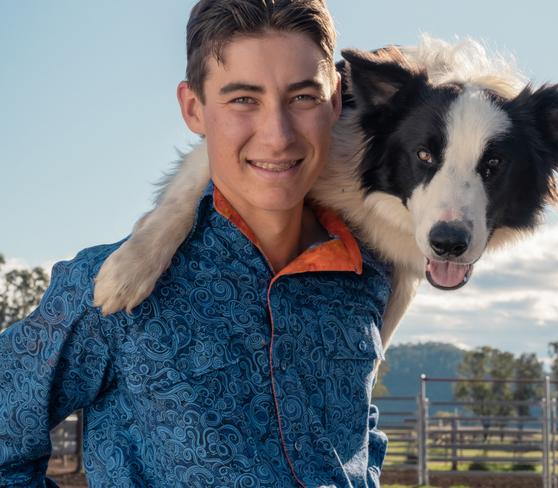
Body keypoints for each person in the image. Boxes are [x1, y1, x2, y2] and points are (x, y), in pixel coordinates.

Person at [0, 1, 392, 486]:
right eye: (244, 99)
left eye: (302, 97)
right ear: (193, 108)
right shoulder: (107, 287)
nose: (278, 136)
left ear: (335, 103)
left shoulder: (368, 276)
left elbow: (357, 437)